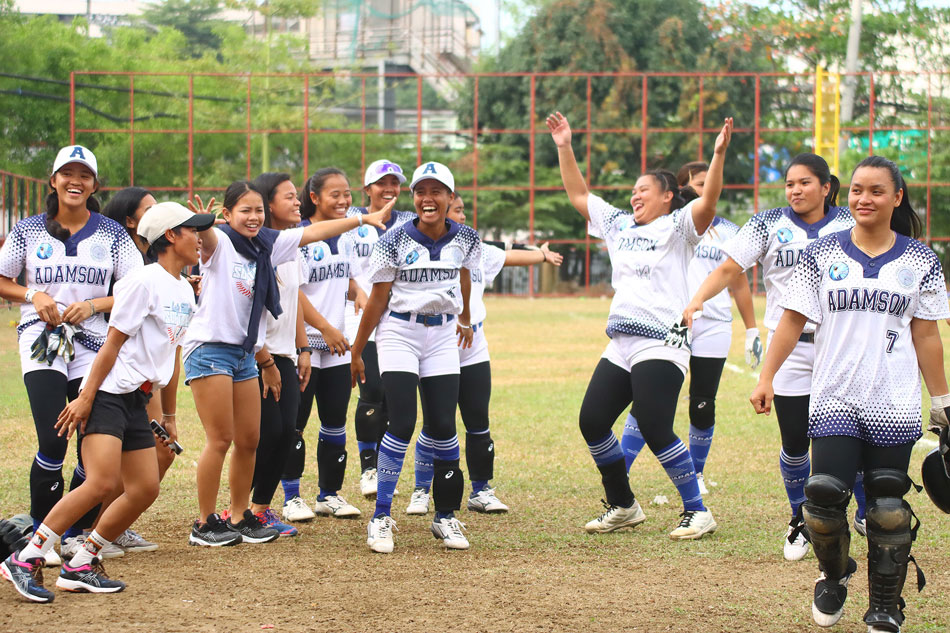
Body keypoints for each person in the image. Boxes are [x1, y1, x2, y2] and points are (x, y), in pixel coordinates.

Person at [751, 155, 948, 632]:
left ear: (896, 197)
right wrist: (766, 377)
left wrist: (942, 402)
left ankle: (885, 604)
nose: (864, 199)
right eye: (858, 190)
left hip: (894, 400)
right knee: (823, 497)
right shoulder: (821, 254)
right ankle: (834, 574)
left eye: (876, 191)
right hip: (835, 395)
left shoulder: (921, 260)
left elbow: (926, 335)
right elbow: (791, 319)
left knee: (886, 507)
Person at [0, 201, 213, 602]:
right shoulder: (143, 281)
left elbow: (171, 355)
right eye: (192, 230)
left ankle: (82, 561)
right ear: (169, 236)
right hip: (109, 395)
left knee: (145, 487)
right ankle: (25, 559)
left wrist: (168, 415)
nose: (200, 238)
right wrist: (85, 397)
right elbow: (112, 344)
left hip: (136, 398)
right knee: (101, 482)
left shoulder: (184, 288)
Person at [546, 111, 732, 540]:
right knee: (592, 420)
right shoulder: (616, 224)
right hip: (622, 342)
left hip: (663, 341)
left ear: (668, 196)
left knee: (653, 423)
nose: (635, 196)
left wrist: (718, 155)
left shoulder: (679, 228)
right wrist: (564, 146)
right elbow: (578, 194)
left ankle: (697, 510)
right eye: (632, 191)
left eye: (643, 190)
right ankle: (624, 504)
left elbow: (708, 201)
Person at [182, 180, 391, 547]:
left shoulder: (270, 244)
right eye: (244, 210)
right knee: (221, 439)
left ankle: (239, 514)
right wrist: (202, 221)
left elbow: (317, 231)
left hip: (246, 352)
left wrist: (364, 220)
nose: (253, 217)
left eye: (258, 210)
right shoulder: (221, 243)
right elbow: (206, 236)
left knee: (249, 440)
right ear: (228, 214)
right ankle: (204, 523)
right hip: (211, 349)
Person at [683, 153, 864, 560]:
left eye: (804, 183)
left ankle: (867, 511)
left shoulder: (849, 225)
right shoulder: (768, 223)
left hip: (842, 345)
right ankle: (801, 518)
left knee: (851, 435)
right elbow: (731, 268)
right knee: (795, 440)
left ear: (826, 187)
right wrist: (697, 299)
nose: (796, 190)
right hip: (790, 349)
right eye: (789, 184)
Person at [0, 145, 143, 567]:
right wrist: (33, 293)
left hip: (93, 347)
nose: (75, 181)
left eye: (84, 175)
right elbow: (2, 279)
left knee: (92, 447)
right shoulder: (28, 231)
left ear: (94, 185)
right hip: (41, 339)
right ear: (53, 180)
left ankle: (75, 531)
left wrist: (97, 305)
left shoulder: (112, 234)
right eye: (67, 173)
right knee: (52, 437)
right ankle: (41, 538)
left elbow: (136, 290)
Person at [406, 192, 564, 515]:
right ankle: (421, 491)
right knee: (437, 424)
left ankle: (482, 490)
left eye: (464, 211)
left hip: (474, 345)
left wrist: (542, 256)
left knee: (478, 420)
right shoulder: (428, 251)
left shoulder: (473, 246)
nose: (463, 217)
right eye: (458, 211)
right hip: (438, 343)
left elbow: (508, 256)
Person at [352, 161, 481, 553]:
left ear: (450, 198)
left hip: (441, 335)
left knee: (443, 424)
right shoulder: (393, 239)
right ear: (415, 199)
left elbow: (464, 276)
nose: (429, 199)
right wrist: (358, 351)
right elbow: (377, 298)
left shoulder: (468, 238)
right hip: (399, 332)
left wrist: (465, 318)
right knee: (403, 420)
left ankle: (445, 517)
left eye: (437, 191)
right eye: (421, 192)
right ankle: (381, 517)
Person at [619, 161, 759, 495]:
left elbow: (738, 283)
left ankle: (695, 473)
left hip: (713, 325)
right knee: (648, 400)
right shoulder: (669, 227)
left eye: (708, 182)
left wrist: (752, 329)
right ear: (681, 189)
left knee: (702, 403)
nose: (704, 187)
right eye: (698, 182)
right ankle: (619, 471)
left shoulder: (727, 230)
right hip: (675, 324)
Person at [292, 168, 368, 519]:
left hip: (336, 344)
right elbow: (294, 294)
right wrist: (325, 329)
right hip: (303, 343)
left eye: (346, 193)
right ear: (314, 198)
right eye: (334, 194)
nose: (343, 201)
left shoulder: (348, 233)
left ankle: (329, 494)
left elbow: (345, 278)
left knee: (335, 420)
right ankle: (292, 496)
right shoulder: (298, 235)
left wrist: (360, 293)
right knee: (296, 420)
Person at [343, 159, 418, 499]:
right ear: (368, 188)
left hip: (400, 321)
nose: (389, 188)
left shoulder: (408, 222)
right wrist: (354, 287)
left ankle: (386, 466)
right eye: (381, 183)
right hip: (362, 320)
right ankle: (368, 468)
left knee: (391, 397)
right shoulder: (350, 220)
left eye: (395, 183)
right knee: (371, 391)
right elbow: (335, 260)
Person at [241, 172, 311, 536]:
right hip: (258, 356)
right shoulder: (255, 249)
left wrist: (303, 348)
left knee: (286, 433)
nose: (298, 202)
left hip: (285, 355)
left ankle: (260, 508)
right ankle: (239, 511)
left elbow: (293, 303)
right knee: (266, 433)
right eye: (289, 197)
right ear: (269, 206)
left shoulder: (290, 249)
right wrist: (265, 360)